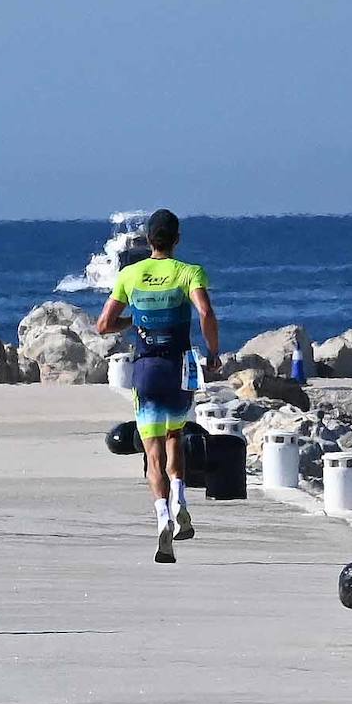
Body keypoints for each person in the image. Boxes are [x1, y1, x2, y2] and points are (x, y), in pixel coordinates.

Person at [96, 209, 220, 564]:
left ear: (149, 240)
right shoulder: (188, 272)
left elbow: (103, 325)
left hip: (146, 368)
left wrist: (131, 321)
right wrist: (213, 352)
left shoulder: (129, 274)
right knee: (174, 437)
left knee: (151, 449)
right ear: (177, 239)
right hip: (180, 368)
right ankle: (180, 497)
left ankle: (163, 516)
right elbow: (206, 314)